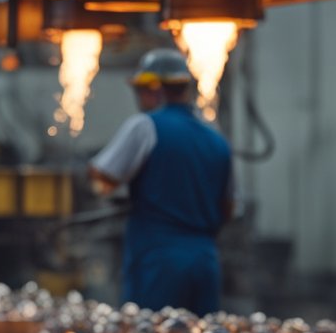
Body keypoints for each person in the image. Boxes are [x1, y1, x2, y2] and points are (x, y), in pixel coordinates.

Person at [88, 48, 234, 314]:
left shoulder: (145, 126)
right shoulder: (217, 140)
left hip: (159, 260)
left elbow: (103, 173)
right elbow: (228, 208)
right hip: (205, 260)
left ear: (153, 89)